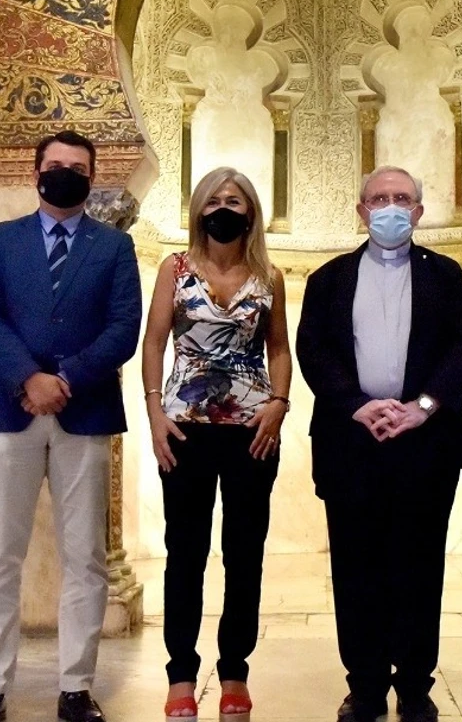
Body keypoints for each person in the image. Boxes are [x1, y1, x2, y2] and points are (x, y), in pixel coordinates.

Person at [0, 131, 143, 722]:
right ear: (36, 171)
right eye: (55, 165)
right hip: (7, 407)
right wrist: (28, 378)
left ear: (92, 177)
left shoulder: (113, 247)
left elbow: (123, 326)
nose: (65, 173)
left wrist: (66, 378)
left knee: (85, 556)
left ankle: (75, 686)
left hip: (82, 409)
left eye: (77, 167)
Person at [296, 166, 462, 722]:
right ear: (361, 210)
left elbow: (461, 349)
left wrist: (422, 408)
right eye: (380, 198)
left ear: (419, 212)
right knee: (357, 569)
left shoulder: (445, 275)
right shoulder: (327, 279)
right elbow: (314, 352)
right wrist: (358, 404)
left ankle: (417, 686)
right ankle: (366, 686)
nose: (391, 206)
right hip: (351, 441)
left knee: (420, 568)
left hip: (424, 444)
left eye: (402, 198)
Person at [141, 167, 292, 720]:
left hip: (253, 431)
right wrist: (155, 412)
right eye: (214, 200)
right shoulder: (174, 269)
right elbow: (154, 342)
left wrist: (278, 404)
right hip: (185, 427)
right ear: (199, 209)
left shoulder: (267, 275)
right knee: (185, 552)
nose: (223, 208)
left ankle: (234, 671)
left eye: (235, 200)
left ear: (250, 212)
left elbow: (279, 348)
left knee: (244, 553)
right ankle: (181, 673)